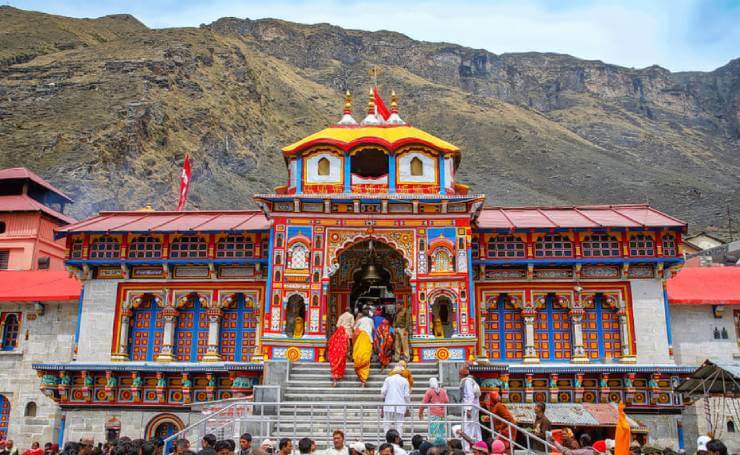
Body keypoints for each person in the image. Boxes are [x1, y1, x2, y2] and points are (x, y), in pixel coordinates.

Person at [382, 365, 411, 436]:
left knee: (387, 423)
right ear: (401, 372)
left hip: (388, 404)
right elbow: (406, 395)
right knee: (399, 424)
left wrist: (386, 397)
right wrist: (408, 407)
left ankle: (387, 439)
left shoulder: (388, 379)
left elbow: (383, 391)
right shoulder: (404, 381)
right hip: (400, 405)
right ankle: (398, 439)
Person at [419, 378, 449, 445]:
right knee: (441, 431)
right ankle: (441, 446)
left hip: (433, 414)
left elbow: (423, 403)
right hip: (442, 414)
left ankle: (435, 446)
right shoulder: (442, 390)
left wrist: (420, 413)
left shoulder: (429, 391)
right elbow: (447, 400)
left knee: (434, 432)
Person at [459, 367, 481, 450]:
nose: (459, 376)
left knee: (468, 427)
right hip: (474, 407)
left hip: (471, 408)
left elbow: (470, 395)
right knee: (475, 425)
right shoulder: (471, 380)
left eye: (459, 374)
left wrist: (468, 409)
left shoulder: (467, 381)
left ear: (462, 374)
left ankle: (467, 447)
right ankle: (479, 443)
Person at [353, 308, 374, 386]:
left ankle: (362, 378)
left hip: (360, 341)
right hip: (368, 340)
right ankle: (364, 378)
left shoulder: (360, 320)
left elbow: (355, 328)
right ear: (368, 314)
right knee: (366, 359)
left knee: (359, 356)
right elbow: (373, 329)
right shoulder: (371, 321)